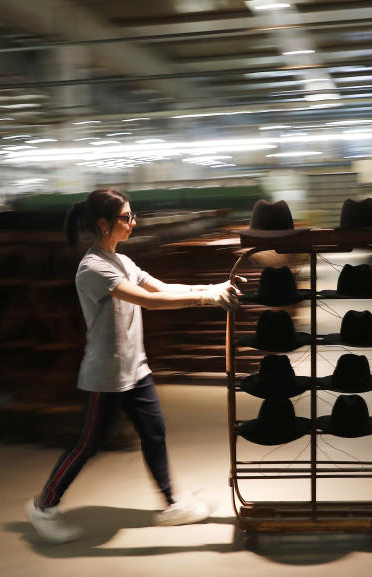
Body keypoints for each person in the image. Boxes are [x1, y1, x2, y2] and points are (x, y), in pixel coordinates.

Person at [25, 188, 240, 544]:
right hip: (105, 376)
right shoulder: (93, 268)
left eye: (132, 215)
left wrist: (213, 286)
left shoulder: (122, 261)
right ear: (103, 223)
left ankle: (172, 504)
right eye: (126, 218)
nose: (133, 223)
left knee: (154, 433)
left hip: (135, 370)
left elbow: (162, 288)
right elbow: (147, 302)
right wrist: (206, 298)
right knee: (87, 444)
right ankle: (43, 506)